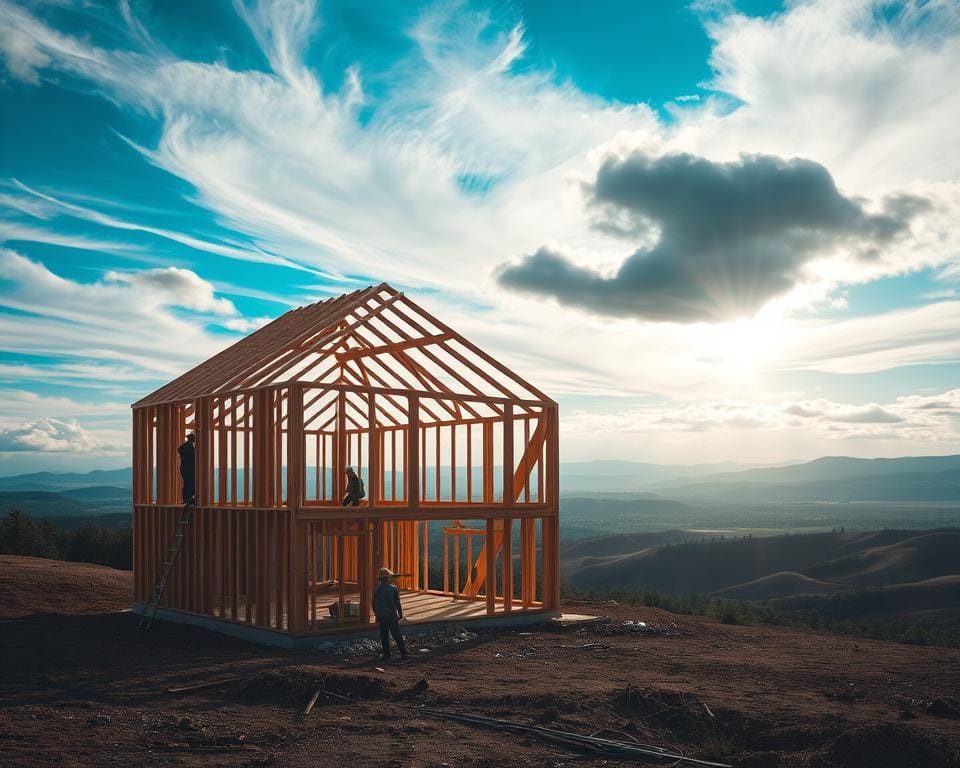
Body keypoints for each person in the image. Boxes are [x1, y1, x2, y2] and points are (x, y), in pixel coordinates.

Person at [373, 567, 408, 660]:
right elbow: (397, 603)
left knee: (384, 635)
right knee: (397, 634)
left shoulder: (377, 590)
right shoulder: (393, 589)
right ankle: (403, 652)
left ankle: (386, 654)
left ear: (380, 579)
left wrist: (377, 615)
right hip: (392, 615)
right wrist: (400, 614)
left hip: (383, 616)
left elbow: (374, 604)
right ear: (389, 578)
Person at [178, 432, 196, 504]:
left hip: (185, 468)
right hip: (189, 468)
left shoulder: (185, 446)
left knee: (188, 483)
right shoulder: (189, 446)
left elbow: (179, 450)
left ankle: (188, 499)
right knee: (190, 483)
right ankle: (188, 500)